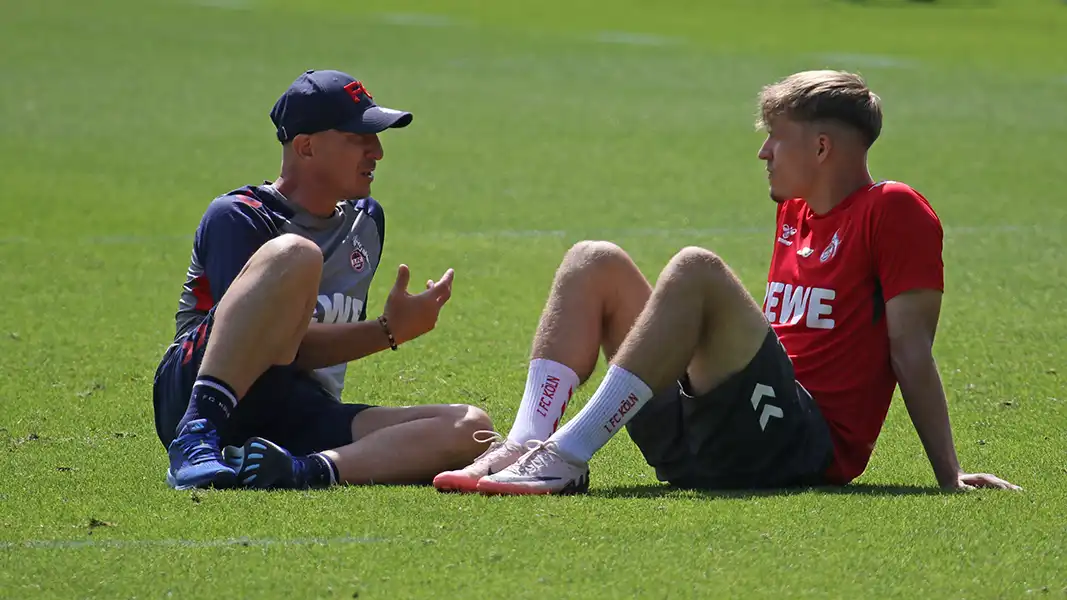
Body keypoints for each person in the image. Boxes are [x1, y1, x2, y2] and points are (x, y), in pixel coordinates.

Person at [434, 70, 1020, 495]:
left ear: (821, 147)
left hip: (798, 444)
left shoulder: (894, 210)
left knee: (697, 267)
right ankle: (526, 443)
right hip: (719, 434)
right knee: (595, 261)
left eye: (776, 135)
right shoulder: (794, 212)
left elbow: (910, 347)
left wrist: (948, 474)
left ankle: (566, 454)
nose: (763, 151)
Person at [154, 69, 492, 491]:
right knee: (297, 254)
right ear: (307, 147)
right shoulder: (239, 215)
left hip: (298, 409)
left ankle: (299, 470)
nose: (378, 152)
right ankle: (196, 436)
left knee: (472, 428)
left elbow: (311, 353)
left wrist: (389, 330)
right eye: (359, 138)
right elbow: (275, 349)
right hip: (199, 392)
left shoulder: (367, 222)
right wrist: (387, 332)